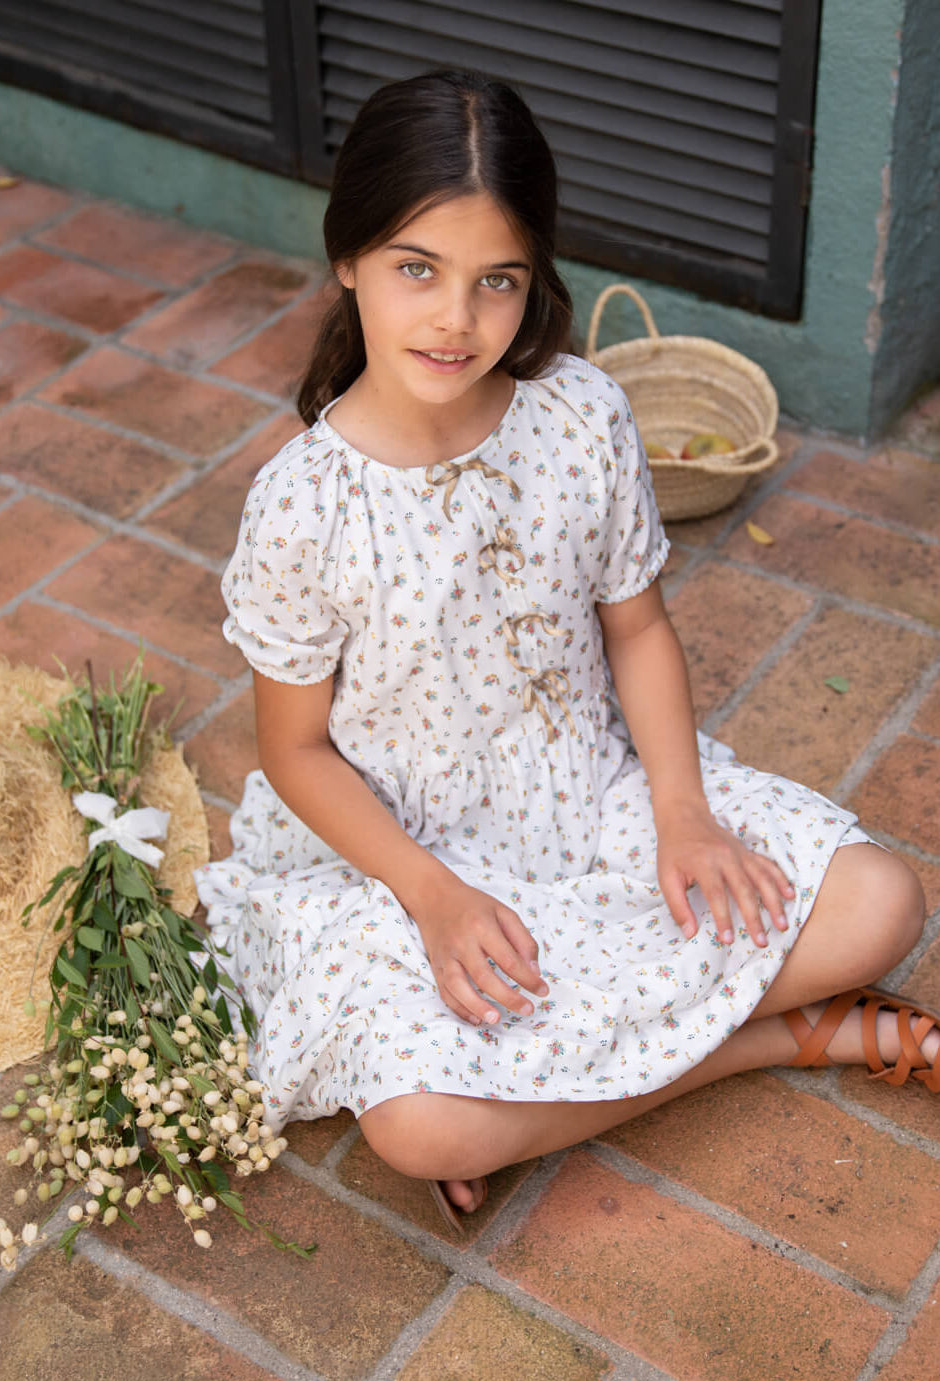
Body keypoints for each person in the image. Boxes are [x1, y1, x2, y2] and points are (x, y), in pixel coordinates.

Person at [196, 69, 936, 1230]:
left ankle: (558, 1082)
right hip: (405, 855)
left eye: (498, 281)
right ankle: (780, 1041)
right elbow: (295, 753)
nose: (455, 320)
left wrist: (685, 815)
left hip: (592, 795)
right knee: (416, 1125)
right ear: (347, 260)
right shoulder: (305, 505)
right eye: (415, 270)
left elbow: (636, 630)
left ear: (536, 276)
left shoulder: (582, 415)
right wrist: (435, 901)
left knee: (883, 905)